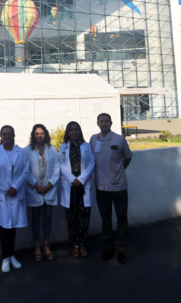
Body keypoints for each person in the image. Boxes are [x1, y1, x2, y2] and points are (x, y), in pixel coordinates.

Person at [89, 113, 133, 264]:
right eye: (101, 121)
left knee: (121, 218)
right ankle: (108, 247)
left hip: (118, 186)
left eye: (107, 121)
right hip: (101, 187)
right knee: (105, 218)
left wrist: (119, 171)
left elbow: (128, 157)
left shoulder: (119, 139)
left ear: (111, 123)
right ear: (97, 123)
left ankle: (122, 249)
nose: (104, 123)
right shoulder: (93, 140)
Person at [0, 125, 29, 273]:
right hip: (3, 195)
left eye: (9, 134)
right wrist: (7, 188)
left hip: (16, 194)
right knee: (4, 227)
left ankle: (11, 255)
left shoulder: (21, 152)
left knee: (12, 227)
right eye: (4, 134)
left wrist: (15, 187)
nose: (7, 136)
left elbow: (25, 170)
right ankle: (5, 258)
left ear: (14, 136)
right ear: (1, 136)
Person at [59, 121, 95, 260]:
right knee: (71, 218)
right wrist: (72, 179)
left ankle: (83, 244)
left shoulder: (87, 146)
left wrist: (80, 179)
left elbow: (92, 163)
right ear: (68, 132)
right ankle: (75, 245)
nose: (74, 132)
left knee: (84, 217)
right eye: (71, 130)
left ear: (80, 131)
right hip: (70, 187)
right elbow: (61, 164)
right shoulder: (63, 147)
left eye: (76, 129)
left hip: (83, 186)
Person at [24, 124, 60, 262]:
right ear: (33, 135)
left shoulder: (52, 149)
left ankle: (46, 245)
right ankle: (37, 246)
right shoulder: (27, 150)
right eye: (37, 133)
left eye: (42, 133)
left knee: (47, 219)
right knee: (35, 219)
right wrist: (35, 184)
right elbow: (25, 170)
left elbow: (57, 168)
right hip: (35, 190)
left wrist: (50, 184)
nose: (40, 136)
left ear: (46, 134)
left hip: (48, 189)